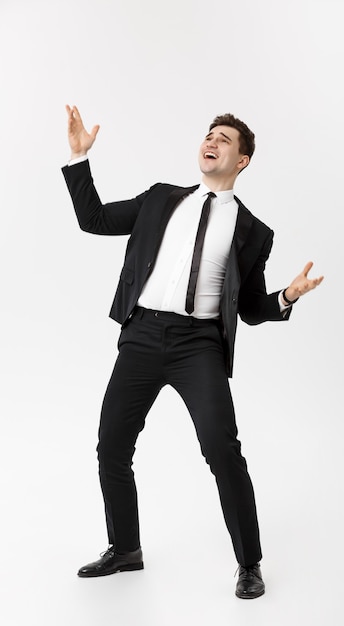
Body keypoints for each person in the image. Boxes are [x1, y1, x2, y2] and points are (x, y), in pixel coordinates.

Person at [62, 105, 323, 599]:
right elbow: (92, 220)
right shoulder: (161, 199)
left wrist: (286, 298)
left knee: (222, 451)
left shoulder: (254, 232)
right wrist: (78, 159)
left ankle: (249, 564)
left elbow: (248, 308)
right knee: (112, 445)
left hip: (197, 345)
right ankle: (125, 549)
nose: (212, 142)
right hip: (140, 336)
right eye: (209, 135)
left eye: (224, 139)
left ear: (241, 160)